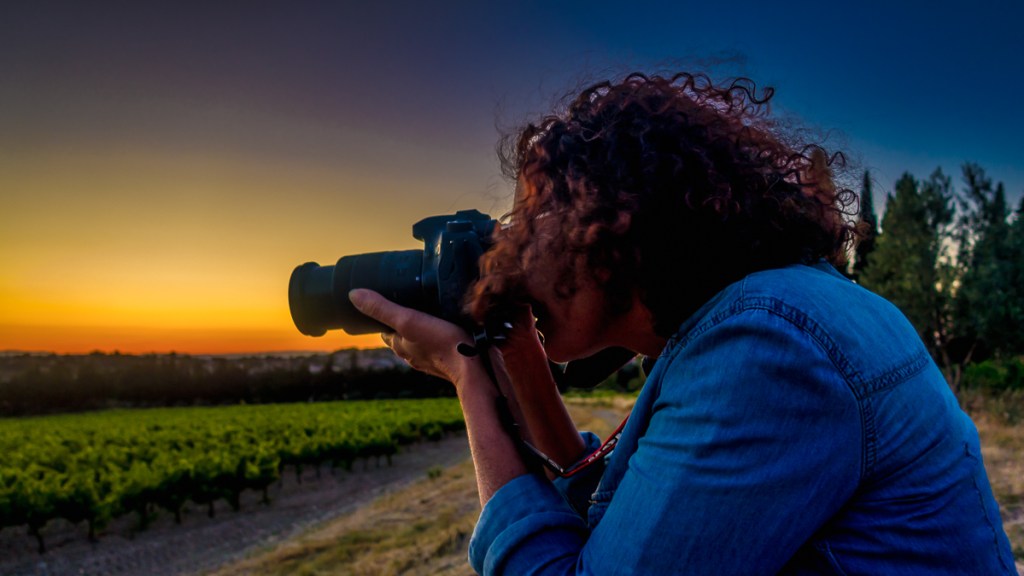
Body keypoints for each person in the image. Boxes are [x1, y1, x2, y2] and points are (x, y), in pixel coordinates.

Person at [348, 72, 1016, 575]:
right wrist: (516, 358)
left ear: (612, 222)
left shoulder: (769, 346)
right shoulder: (776, 312)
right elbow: (628, 522)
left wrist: (468, 378)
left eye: (530, 220)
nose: (510, 256)